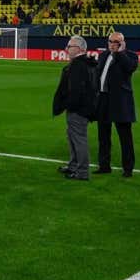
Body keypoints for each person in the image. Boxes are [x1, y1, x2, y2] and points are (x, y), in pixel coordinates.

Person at [94, 32, 140, 177]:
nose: (112, 44)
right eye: (110, 41)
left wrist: (120, 53)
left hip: (120, 102)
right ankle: (104, 165)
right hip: (103, 100)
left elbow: (130, 68)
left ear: (122, 43)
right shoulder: (103, 56)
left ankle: (128, 168)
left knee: (125, 138)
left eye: (116, 42)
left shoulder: (131, 56)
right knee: (103, 136)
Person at [53, 35, 98, 181]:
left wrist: (68, 104)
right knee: (73, 137)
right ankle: (73, 165)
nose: (66, 49)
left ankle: (82, 171)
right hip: (83, 108)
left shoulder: (78, 65)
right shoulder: (87, 64)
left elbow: (76, 91)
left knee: (78, 139)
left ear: (78, 48)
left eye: (69, 46)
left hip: (78, 109)